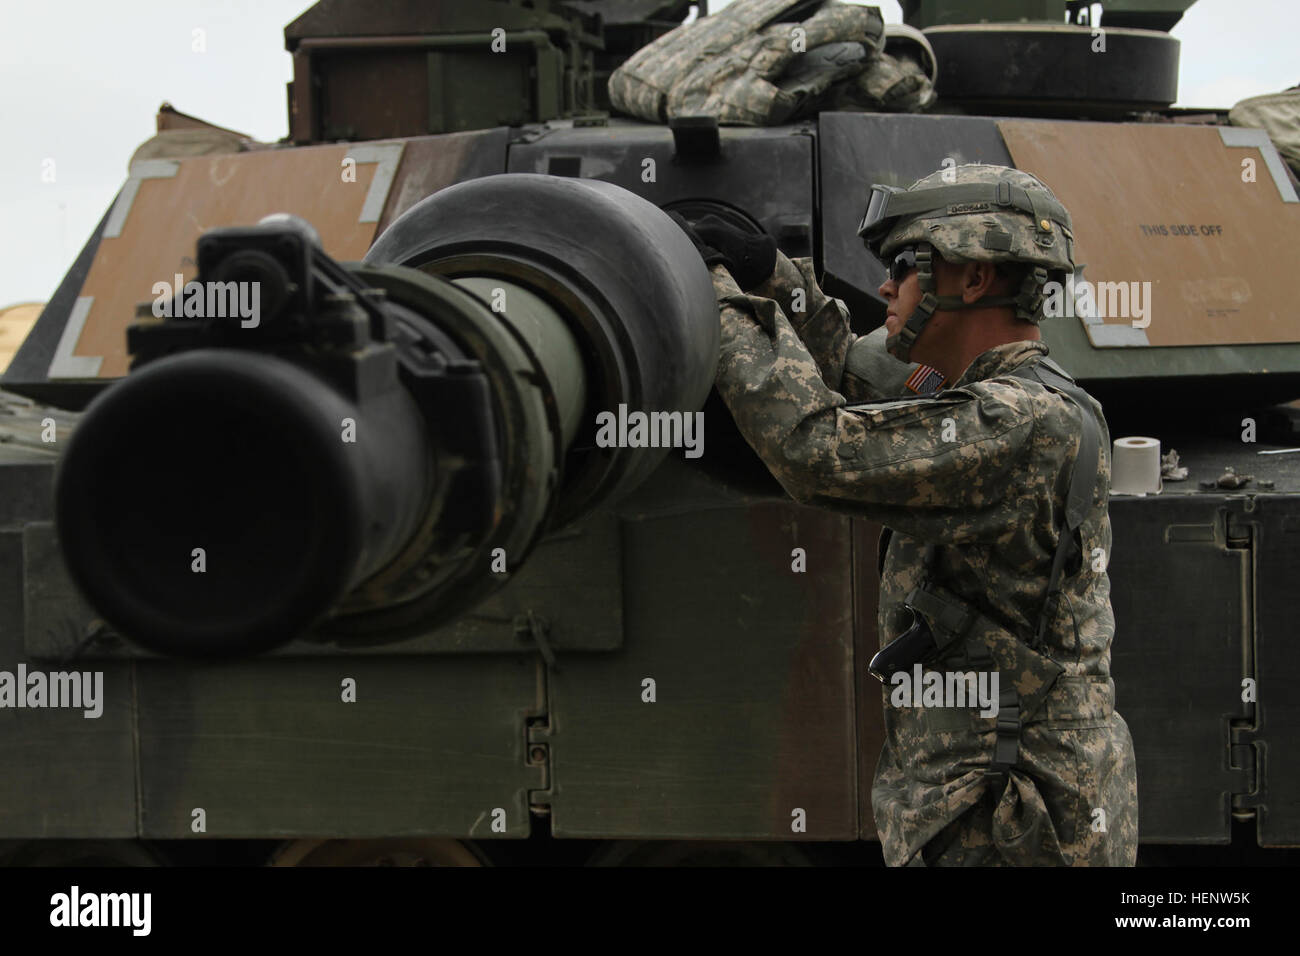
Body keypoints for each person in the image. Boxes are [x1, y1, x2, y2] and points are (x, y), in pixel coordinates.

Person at [674, 163, 1138, 866]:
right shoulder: (993, 392)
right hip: (994, 798)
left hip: (1012, 818)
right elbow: (847, 378)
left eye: (905, 267)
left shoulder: (1019, 420)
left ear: (972, 279)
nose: (885, 288)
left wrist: (710, 289)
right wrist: (773, 276)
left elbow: (817, 450)